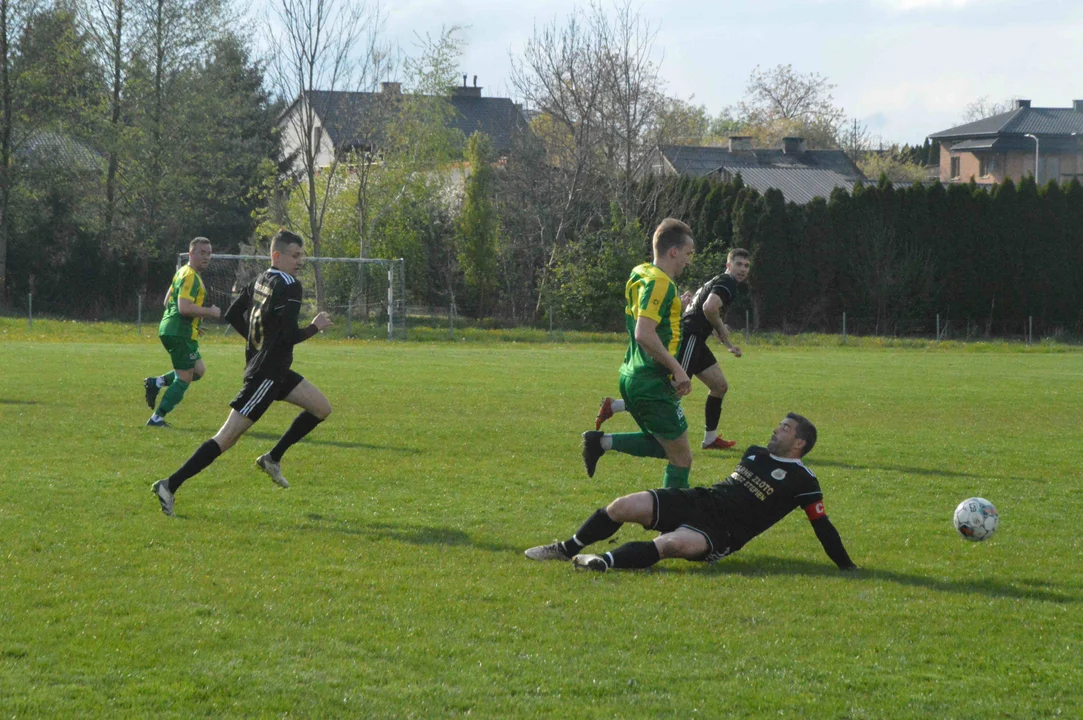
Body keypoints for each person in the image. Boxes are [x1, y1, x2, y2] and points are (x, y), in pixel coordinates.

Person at [528, 413, 857, 573]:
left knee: (671, 544)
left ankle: (602, 563)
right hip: (700, 499)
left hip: (723, 531)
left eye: (784, 429)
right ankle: (565, 548)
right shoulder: (755, 453)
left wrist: (847, 567)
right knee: (624, 505)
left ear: (799, 443)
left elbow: (823, 527)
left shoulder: (804, 481)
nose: (776, 430)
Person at [151, 230, 333, 516]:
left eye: (301, 256)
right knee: (226, 438)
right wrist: (314, 327)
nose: (300, 261)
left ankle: (272, 458)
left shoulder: (260, 279)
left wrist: (258, 343)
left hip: (275, 370)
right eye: (295, 255)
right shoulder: (289, 286)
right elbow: (288, 337)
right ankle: (169, 485)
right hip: (266, 376)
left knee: (321, 408)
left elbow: (234, 314)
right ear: (277, 255)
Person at [581, 218, 696, 490]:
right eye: (688, 253)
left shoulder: (641, 273)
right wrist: (677, 369)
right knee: (681, 459)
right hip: (651, 380)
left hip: (633, 375)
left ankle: (601, 443)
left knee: (666, 446)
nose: (688, 261)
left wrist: (677, 306)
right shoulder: (661, 283)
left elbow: (648, 316)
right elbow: (643, 333)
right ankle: (672, 514)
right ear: (673, 252)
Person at [598, 248, 751, 449]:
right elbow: (709, 308)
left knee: (719, 386)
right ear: (728, 265)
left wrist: (729, 345)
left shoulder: (719, 281)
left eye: (746, 266)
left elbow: (706, 314)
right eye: (738, 264)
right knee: (673, 390)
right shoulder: (727, 282)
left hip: (697, 339)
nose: (742, 269)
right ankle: (615, 406)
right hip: (690, 338)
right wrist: (722, 328)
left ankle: (710, 439)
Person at [144, 237, 221, 427]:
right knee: (184, 377)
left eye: (209, 253)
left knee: (198, 370)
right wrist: (210, 312)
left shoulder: (181, 272)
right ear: (191, 254)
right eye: (202, 252)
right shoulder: (190, 276)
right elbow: (184, 308)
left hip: (174, 329)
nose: (206, 257)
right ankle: (157, 418)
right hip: (179, 332)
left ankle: (157, 383)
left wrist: (195, 323)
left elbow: (167, 302)